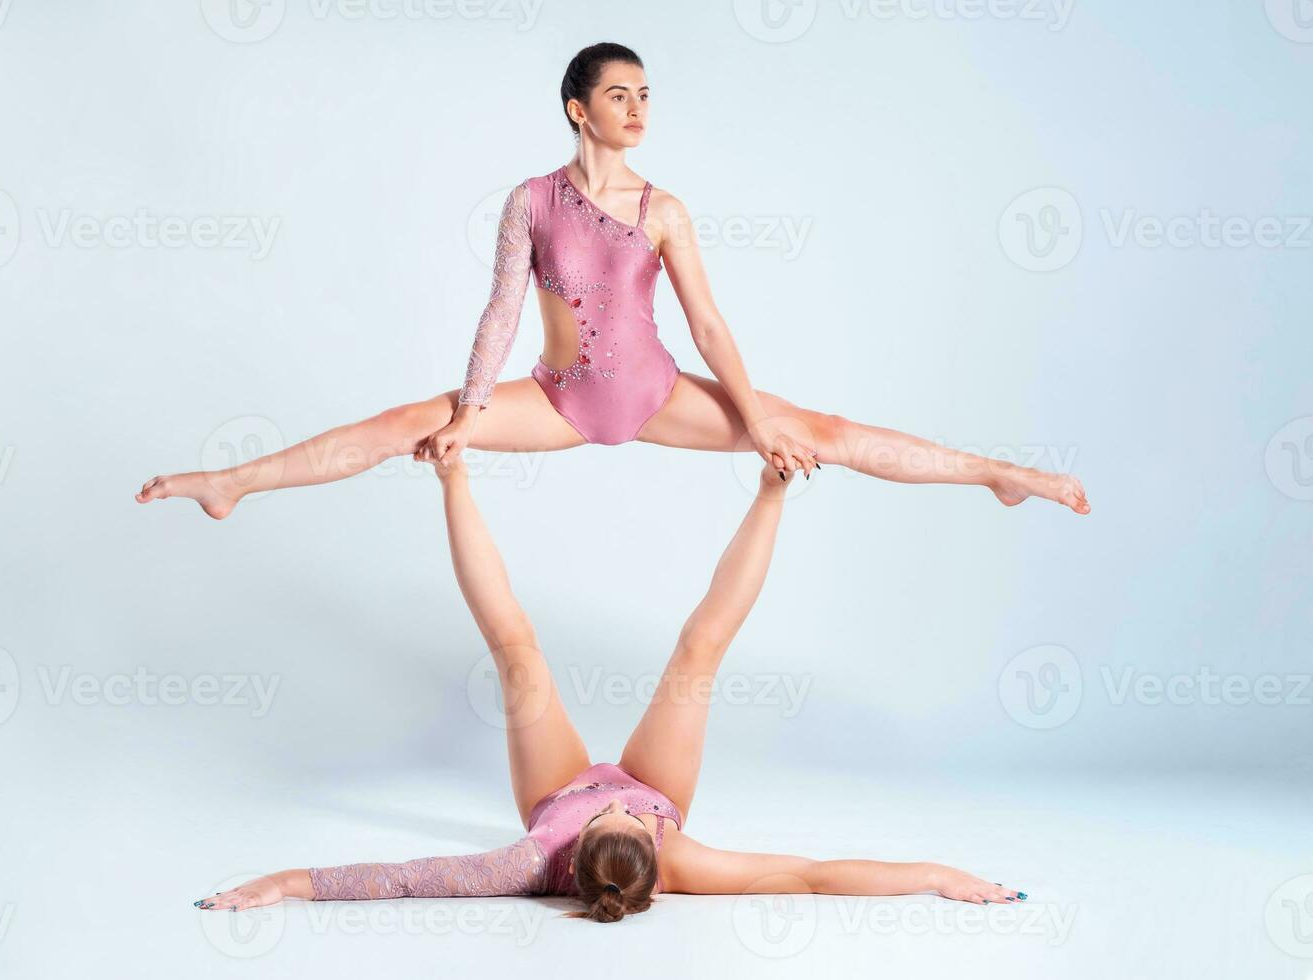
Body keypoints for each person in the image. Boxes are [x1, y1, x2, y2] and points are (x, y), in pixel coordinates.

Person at [137, 42, 1090, 520]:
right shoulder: (531, 199)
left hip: (657, 394)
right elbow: (503, 311)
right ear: (577, 109)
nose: (637, 110)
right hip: (556, 400)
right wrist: (471, 409)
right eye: (619, 96)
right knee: (406, 426)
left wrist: (756, 422)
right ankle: (230, 483)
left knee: (823, 434)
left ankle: (996, 473)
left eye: (645, 96)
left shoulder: (664, 208)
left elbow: (709, 327)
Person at [192, 456, 1027, 922]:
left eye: (606, 814)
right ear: (656, 856)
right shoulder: (677, 853)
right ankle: (775, 494)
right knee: (699, 648)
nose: (611, 795)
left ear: (573, 846)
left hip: (544, 785)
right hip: (670, 778)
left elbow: (410, 878)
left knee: (516, 651)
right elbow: (809, 876)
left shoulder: (527, 858)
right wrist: (935, 874)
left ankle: (452, 480)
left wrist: (291, 882)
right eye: (618, 813)